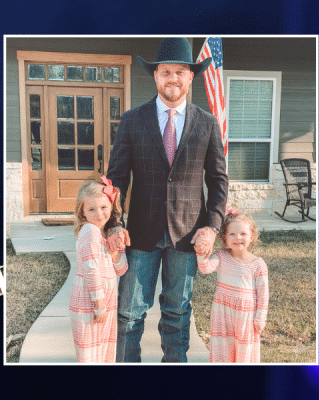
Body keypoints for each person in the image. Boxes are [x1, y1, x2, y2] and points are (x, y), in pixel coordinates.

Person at [106, 37, 229, 362]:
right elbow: (116, 178)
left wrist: (212, 228)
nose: (172, 78)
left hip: (188, 237)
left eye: (179, 72)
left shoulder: (207, 123)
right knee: (130, 313)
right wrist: (113, 225)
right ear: (156, 76)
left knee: (177, 312)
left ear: (191, 77)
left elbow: (218, 181)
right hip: (140, 235)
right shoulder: (133, 120)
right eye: (165, 72)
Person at [196, 209, 269, 363]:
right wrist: (200, 251)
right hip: (223, 313)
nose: (238, 238)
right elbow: (205, 268)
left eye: (243, 234)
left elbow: (263, 295)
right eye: (232, 234)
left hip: (246, 317)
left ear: (252, 236)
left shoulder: (258, 265)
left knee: (244, 352)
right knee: (223, 350)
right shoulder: (221, 256)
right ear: (224, 237)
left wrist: (260, 318)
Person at [69, 176, 128, 363]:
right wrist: (99, 305)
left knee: (103, 354)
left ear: (112, 207)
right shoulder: (90, 232)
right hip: (90, 303)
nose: (99, 214)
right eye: (91, 209)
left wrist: (114, 252)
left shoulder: (108, 233)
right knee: (90, 356)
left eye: (103, 207)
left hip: (105, 304)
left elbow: (122, 269)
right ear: (82, 212)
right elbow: (91, 270)